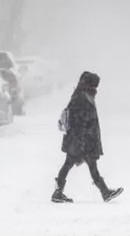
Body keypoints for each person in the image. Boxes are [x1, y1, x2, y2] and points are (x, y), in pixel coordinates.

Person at [51, 71, 123, 203]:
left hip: (80, 139)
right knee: (82, 164)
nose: (96, 90)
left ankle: (58, 192)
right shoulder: (82, 98)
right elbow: (79, 121)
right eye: (95, 86)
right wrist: (83, 141)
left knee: (73, 164)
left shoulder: (82, 95)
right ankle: (104, 192)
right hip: (81, 140)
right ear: (90, 85)